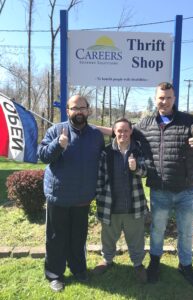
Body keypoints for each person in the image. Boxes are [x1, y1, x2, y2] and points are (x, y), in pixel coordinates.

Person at [95, 82, 193, 288]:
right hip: (159, 191)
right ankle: (154, 263)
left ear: (174, 99)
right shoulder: (145, 123)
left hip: (184, 190)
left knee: (186, 232)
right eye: (161, 97)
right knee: (157, 231)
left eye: (168, 97)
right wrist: (91, 129)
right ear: (156, 98)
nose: (165, 101)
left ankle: (185, 265)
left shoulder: (187, 120)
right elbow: (121, 130)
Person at [37, 95, 104, 292]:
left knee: (78, 237)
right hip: (59, 196)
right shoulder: (56, 131)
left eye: (82, 108)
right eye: (74, 108)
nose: (79, 112)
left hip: (82, 198)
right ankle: (55, 274)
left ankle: (78, 269)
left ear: (88, 110)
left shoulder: (95, 135)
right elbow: (42, 156)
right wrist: (59, 144)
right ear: (67, 111)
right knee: (56, 238)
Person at [93, 118, 148, 283]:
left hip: (134, 205)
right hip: (111, 204)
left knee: (136, 238)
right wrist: (98, 196)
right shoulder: (106, 152)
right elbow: (99, 177)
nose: (123, 134)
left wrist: (135, 168)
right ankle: (107, 260)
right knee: (108, 237)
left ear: (131, 131)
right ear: (114, 132)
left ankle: (138, 264)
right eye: (119, 131)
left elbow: (146, 172)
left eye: (126, 130)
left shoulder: (138, 151)